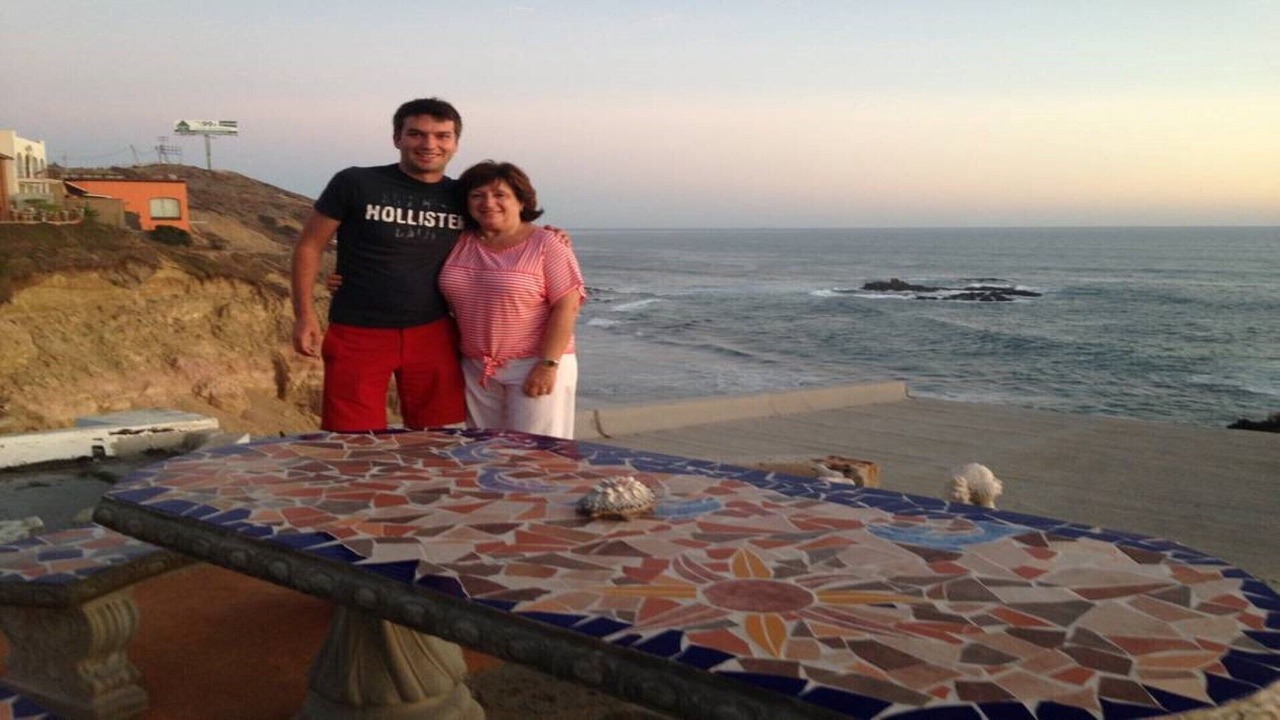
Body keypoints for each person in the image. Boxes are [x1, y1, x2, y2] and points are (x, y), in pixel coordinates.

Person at [291, 98, 467, 432]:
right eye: (416, 134)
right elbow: (309, 246)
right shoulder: (356, 183)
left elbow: (505, 230)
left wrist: (547, 236)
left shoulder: (463, 195)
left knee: (437, 437)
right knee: (352, 439)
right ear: (397, 138)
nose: (429, 144)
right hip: (358, 329)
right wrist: (304, 315)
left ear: (455, 143)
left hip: (434, 331)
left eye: (442, 136)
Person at [438, 161, 586, 439]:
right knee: (485, 451)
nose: (488, 203)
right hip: (476, 368)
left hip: (534, 363)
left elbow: (567, 306)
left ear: (521, 201)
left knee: (534, 457)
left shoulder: (547, 244)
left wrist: (547, 365)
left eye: (500, 195)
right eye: (477, 195)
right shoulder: (458, 241)